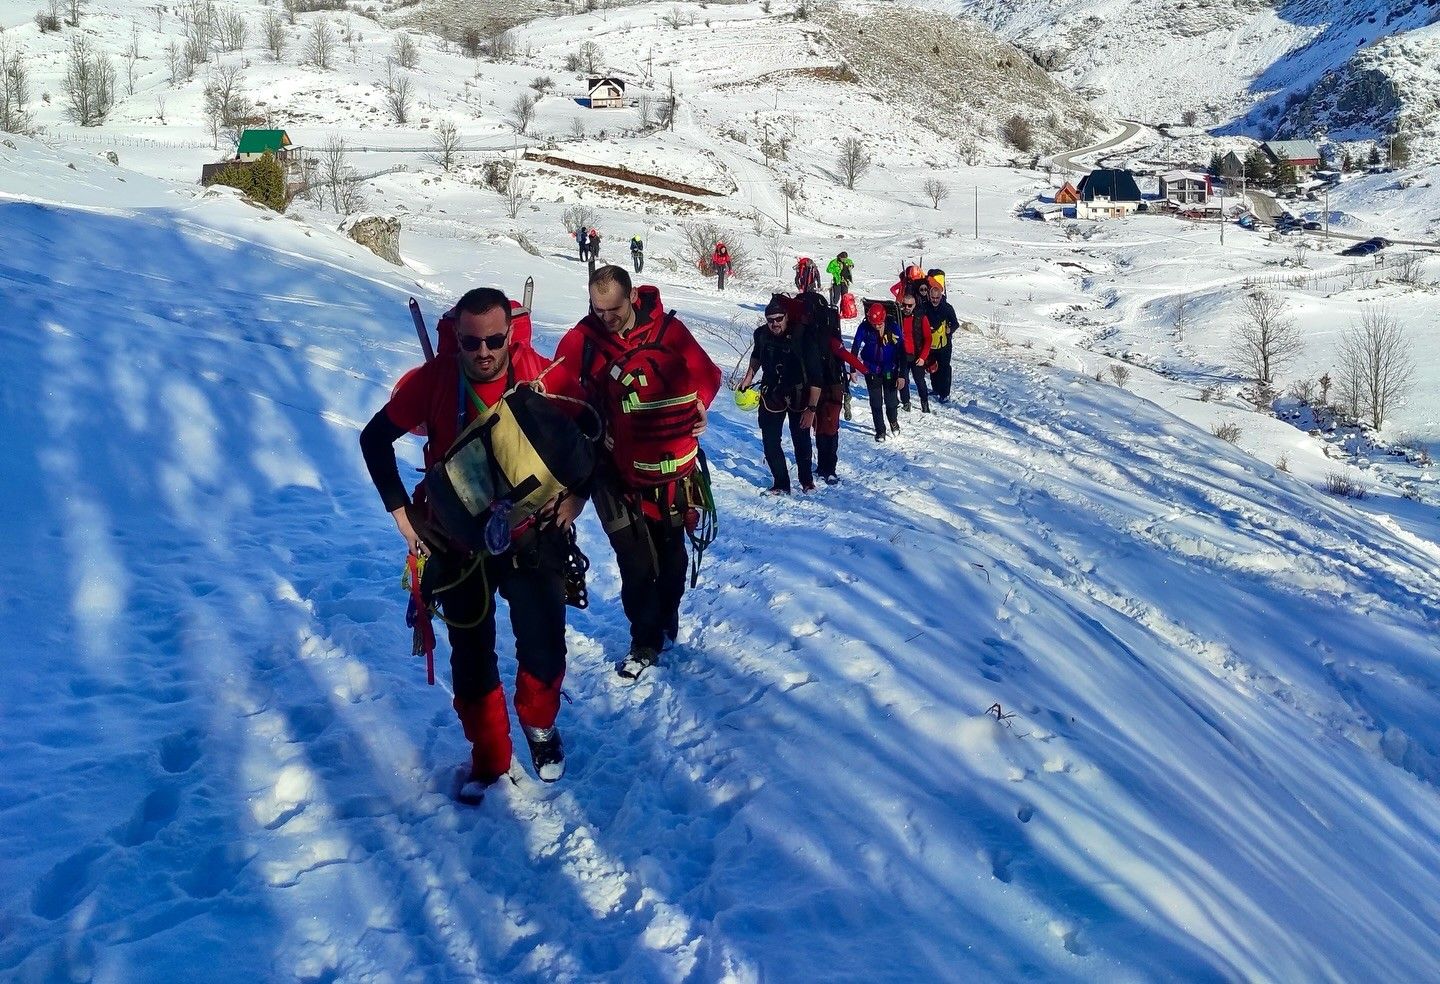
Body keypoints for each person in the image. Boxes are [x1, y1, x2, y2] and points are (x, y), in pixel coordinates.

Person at [359, 288, 586, 800]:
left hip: (533, 536)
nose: (483, 351)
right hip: (455, 540)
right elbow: (374, 438)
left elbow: (590, 440)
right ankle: (489, 757)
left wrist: (576, 499)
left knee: (543, 642)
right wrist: (403, 513)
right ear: (455, 338)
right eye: (470, 341)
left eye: (494, 340)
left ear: (511, 332)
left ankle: (540, 726)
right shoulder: (435, 381)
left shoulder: (545, 377)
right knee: (470, 655)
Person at [544, 266, 721, 681]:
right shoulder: (581, 341)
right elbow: (560, 407)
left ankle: (667, 612)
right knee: (634, 560)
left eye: (614, 309)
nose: (605, 318)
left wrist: (700, 407)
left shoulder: (668, 331)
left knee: (672, 553)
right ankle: (644, 640)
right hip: (610, 473)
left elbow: (707, 376)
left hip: (672, 469)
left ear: (633, 296)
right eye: (597, 308)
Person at [737, 294, 823, 493]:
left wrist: (811, 409)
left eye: (779, 319)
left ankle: (806, 480)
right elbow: (757, 355)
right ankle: (781, 483)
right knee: (770, 439)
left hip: (799, 393)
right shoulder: (761, 334)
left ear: (786, 317)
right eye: (770, 320)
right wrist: (749, 377)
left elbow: (816, 377)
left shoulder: (802, 336)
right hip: (772, 392)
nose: (775, 324)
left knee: (800, 438)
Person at [795, 291, 865, 484]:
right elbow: (844, 354)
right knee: (827, 427)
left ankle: (827, 467)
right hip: (832, 384)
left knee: (822, 427)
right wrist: (864, 370)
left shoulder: (805, 334)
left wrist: (864, 370)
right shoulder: (827, 334)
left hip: (818, 385)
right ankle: (827, 467)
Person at [853, 302, 903, 441]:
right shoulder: (864, 328)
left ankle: (893, 421)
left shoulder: (893, 327)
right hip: (872, 370)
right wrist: (853, 368)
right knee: (875, 402)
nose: (877, 326)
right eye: (874, 323)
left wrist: (902, 374)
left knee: (891, 401)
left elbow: (901, 350)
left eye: (880, 323)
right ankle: (880, 430)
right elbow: (856, 346)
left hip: (890, 369)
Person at [920, 274, 960, 402]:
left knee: (944, 368)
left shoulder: (947, 308)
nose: (935, 300)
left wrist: (950, 330)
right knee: (932, 366)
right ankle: (936, 389)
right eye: (933, 298)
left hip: (945, 344)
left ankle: (945, 393)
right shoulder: (925, 307)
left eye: (937, 298)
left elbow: (956, 323)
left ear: (941, 296)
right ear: (929, 296)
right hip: (930, 343)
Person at [896, 292, 932, 414]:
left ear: (914, 305)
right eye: (904, 305)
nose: (906, 308)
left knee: (920, 381)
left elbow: (928, 339)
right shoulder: (898, 317)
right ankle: (906, 402)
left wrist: (923, 357)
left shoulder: (921, 318)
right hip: (903, 355)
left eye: (909, 306)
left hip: (917, 355)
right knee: (903, 379)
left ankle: (924, 402)